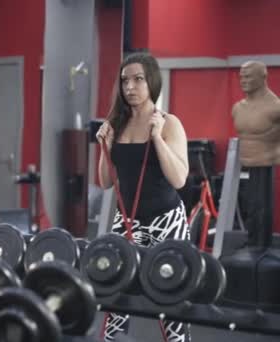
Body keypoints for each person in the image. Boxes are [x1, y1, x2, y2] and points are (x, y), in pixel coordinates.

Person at [96, 52, 191, 342]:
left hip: (166, 218)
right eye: (125, 80)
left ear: (151, 81)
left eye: (138, 79)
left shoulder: (169, 122)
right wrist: (105, 148)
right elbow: (104, 182)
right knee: (116, 295)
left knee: (171, 298)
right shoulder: (117, 123)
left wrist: (158, 138)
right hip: (128, 220)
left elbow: (179, 178)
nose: (130, 87)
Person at [232, 61, 280, 247]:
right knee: (251, 205)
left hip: (266, 161)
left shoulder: (275, 107)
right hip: (247, 163)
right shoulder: (238, 108)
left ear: (263, 77)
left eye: (249, 76)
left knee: (262, 205)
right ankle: (252, 240)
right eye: (242, 77)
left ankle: (262, 243)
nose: (243, 81)